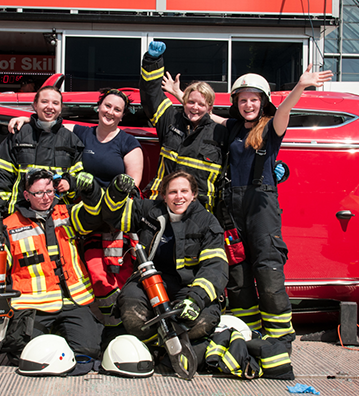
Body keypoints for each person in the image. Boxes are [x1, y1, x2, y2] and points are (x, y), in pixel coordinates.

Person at [165, 65, 333, 352]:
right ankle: (249, 332)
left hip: (261, 207)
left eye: (254, 99)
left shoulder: (271, 127)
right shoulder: (231, 128)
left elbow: (284, 112)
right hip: (231, 209)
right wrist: (180, 95)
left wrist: (300, 87)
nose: (248, 104)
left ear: (263, 101)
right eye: (243, 100)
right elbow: (207, 113)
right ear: (236, 103)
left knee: (268, 270)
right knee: (238, 275)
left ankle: (280, 338)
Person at [8, 88, 144, 328]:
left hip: (113, 221)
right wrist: (25, 120)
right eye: (107, 106)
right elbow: (50, 122)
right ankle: (96, 322)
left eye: (117, 110)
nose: (110, 112)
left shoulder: (128, 142)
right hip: (83, 218)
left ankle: (116, 323)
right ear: (98, 107)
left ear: (122, 116)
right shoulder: (83, 132)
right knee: (88, 272)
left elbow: (132, 186)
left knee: (112, 274)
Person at [0, 168, 103, 364]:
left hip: (72, 301)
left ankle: (62, 334)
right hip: (33, 307)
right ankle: (53, 334)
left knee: (88, 351)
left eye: (50, 191)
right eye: (38, 193)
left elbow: (95, 214)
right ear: (27, 195)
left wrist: (92, 190)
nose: (46, 198)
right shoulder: (9, 226)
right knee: (26, 354)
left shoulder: (67, 213)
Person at [101, 171, 228, 344]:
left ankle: (168, 343)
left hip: (187, 287)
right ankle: (158, 344)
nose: (179, 197)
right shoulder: (150, 211)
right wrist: (116, 192)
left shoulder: (208, 223)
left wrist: (195, 300)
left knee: (204, 321)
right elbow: (112, 216)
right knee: (131, 309)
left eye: (184, 191)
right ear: (164, 196)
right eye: (172, 192)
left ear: (194, 195)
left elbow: (215, 268)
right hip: (148, 283)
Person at [139, 41, 229, 212]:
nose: (195, 107)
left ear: (210, 108)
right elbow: (151, 95)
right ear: (184, 102)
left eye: (201, 104)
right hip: (162, 205)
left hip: (199, 213)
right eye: (191, 102)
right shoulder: (170, 119)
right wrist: (152, 61)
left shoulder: (220, 133)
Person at [0, 85, 84, 226]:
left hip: (58, 217)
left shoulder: (72, 140)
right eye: (44, 102)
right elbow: (2, 176)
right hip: (19, 214)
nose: (50, 107)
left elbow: (79, 176)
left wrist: (69, 183)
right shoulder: (18, 135)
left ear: (61, 108)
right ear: (35, 105)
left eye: (55, 103)